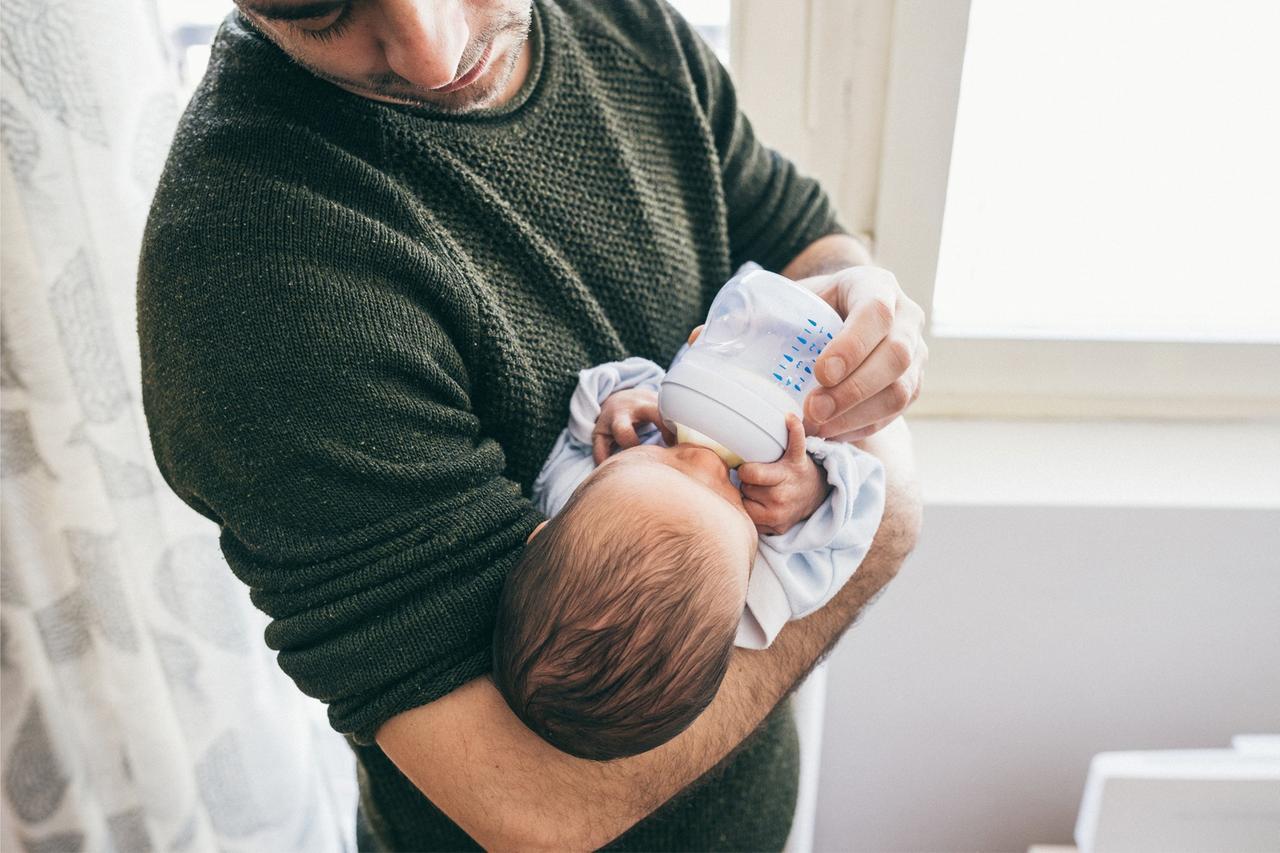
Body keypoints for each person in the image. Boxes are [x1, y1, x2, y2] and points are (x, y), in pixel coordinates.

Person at [136, 0, 927, 848]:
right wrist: (883, 521)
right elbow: (534, 805)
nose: (434, 58)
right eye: (319, 5)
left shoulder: (621, 23)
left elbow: (790, 232)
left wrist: (861, 297)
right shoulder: (256, 284)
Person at [493, 348, 886, 762]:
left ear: (544, 533)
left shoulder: (571, 500)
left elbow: (583, 416)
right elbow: (859, 515)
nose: (707, 461)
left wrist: (623, 402)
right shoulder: (764, 594)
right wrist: (812, 491)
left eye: (663, 463)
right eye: (728, 499)